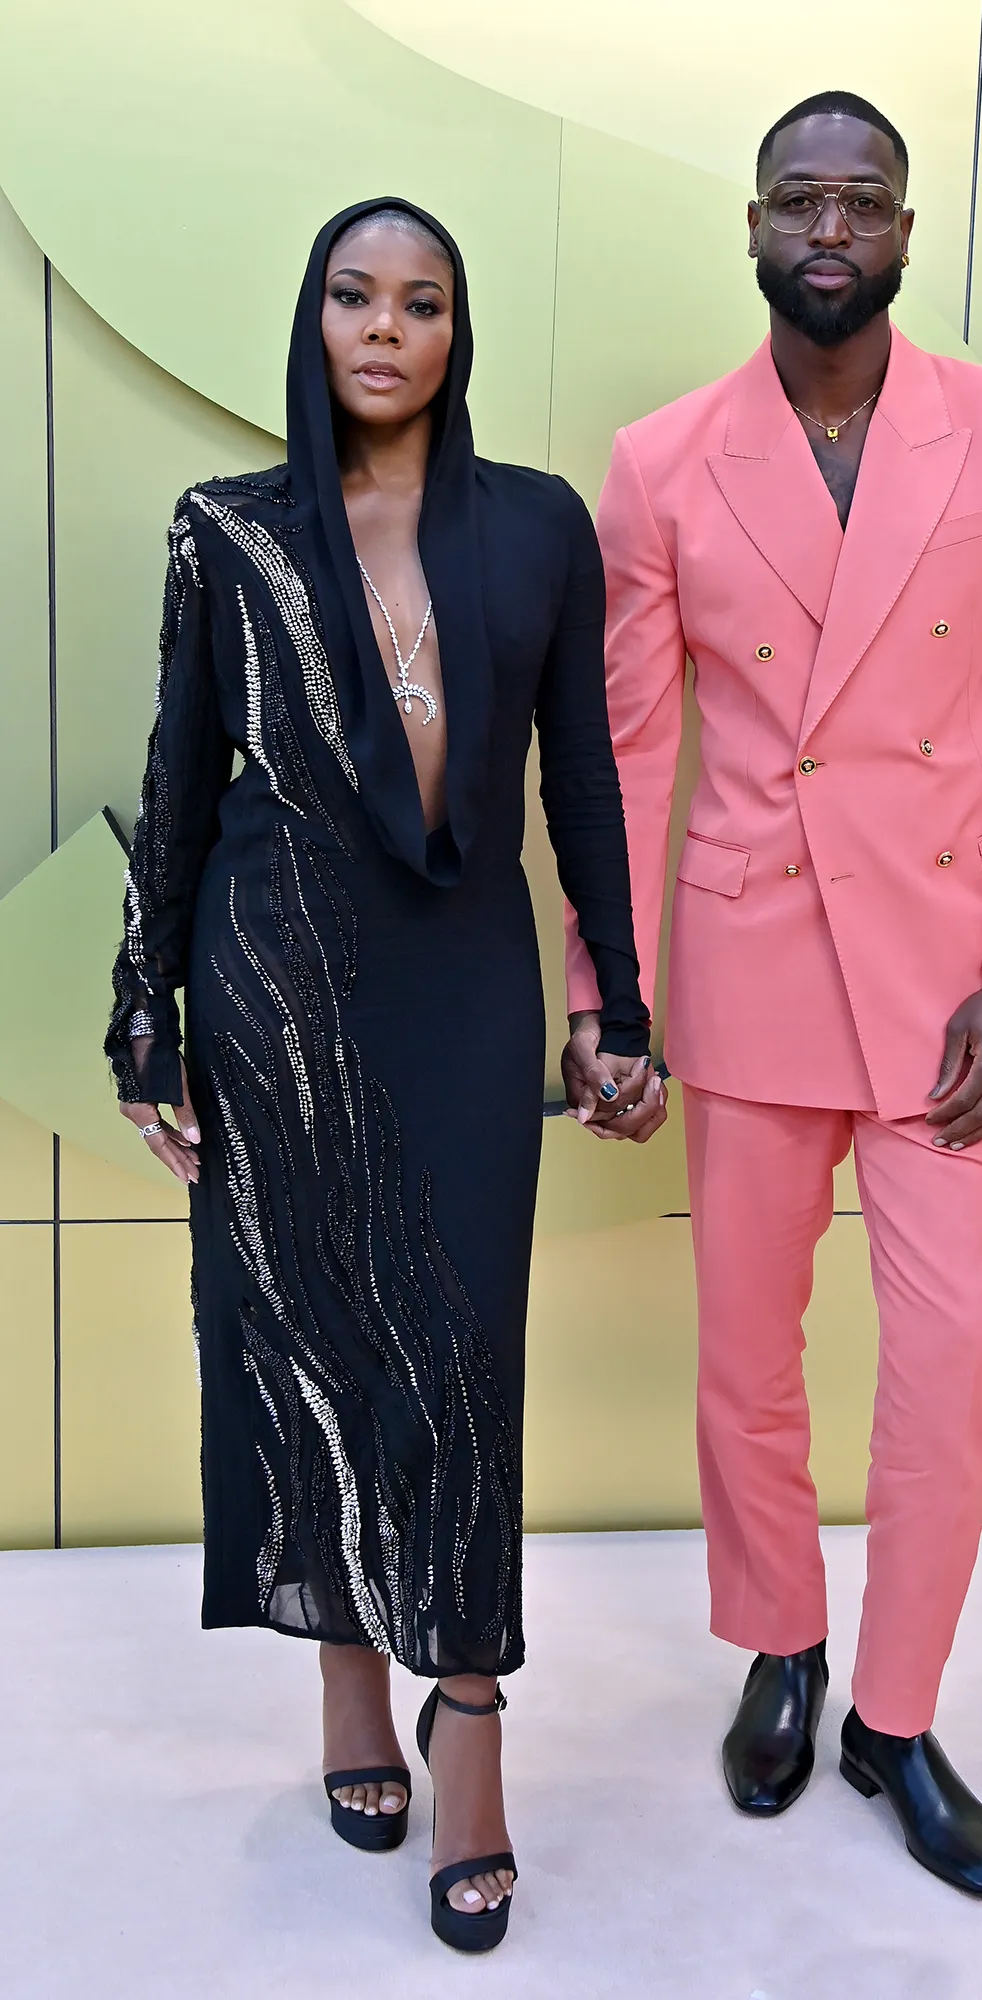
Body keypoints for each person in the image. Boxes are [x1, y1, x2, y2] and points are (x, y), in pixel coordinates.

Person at [106, 196, 665, 1953]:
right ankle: (351, 1679)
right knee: (303, 1339)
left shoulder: (539, 526)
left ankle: (469, 1715)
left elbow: (583, 776)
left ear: (455, 333)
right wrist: (143, 1015)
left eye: (422, 303)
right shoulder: (230, 532)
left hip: (467, 990)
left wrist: (620, 1002)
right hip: (270, 988)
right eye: (355, 296)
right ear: (314, 317)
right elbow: (181, 780)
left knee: (467, 1359)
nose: (384, 330)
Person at [564, 91, 982, 1897]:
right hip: (755, 962)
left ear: (904, 230)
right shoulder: (663, 462)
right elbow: (631, 753)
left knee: (945, 1376)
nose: (829, 228)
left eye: (861, 201)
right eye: (799, 198)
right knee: (746, 1358)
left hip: (957, 989)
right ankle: (781, 1648)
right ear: (753, 225)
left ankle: (897, 1713)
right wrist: (611, 997)